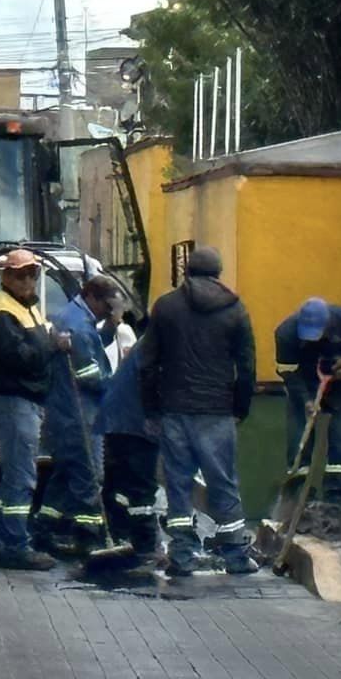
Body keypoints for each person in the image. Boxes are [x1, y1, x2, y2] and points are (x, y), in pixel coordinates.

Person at [137, 247, 257, 576]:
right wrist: (239, 408)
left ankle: (182, 555)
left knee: (178, 483)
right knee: (223, 482)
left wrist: (151, 409)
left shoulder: (166, 306)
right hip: (217, 411)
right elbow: (246, 367)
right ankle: (234, 554)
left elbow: (147, 363)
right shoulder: (235, 310)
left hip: (174, 409)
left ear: (186, 271)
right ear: (218, 273)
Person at [0, 250, 56, 571]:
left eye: (32, 275)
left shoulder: (27, 309)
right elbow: (20, 356)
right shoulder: (0, 313)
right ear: (6, 277)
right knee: (22, 477)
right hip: (13, 402)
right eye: (20, 275)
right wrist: (52, 345)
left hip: (26, 401)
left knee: (14, 477)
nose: (27, 281)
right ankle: (16, 546)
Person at [33, 274, 120, 558]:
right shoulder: (78, 326)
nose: (107, 312)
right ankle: (91, 536)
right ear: (93, 298)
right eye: (106, 308)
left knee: (65, 472)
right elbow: (89, 375)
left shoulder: (74, 316)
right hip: (78, 413)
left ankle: (43, 527)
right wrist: (119, 386)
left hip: (65, 410)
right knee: (89, 474)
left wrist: (111, 325)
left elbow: (91, 346)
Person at [272, 297, 341, 505]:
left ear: (328, 324)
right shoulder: (285, 333)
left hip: (339, 383)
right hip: (303, 383)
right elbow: (287, 372)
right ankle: (300, 498)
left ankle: (335, 499)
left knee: (339, 439)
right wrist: (305, 401)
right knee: (298, 440)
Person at [94, 333, 161, 562]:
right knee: (141, 484)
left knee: (119, 482)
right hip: (134, 421)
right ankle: (145, 544)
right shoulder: (166, 343)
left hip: (118, 418)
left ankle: (118, 534)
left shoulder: (154, 339)